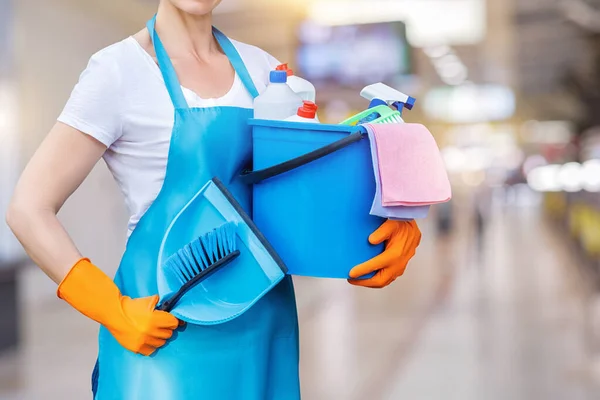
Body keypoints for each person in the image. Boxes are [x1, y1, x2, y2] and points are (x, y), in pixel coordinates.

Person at [5, 0, 422, 398]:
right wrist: (112, 310)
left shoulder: (263, 71)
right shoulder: (117, 71)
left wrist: (381, 224)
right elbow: (28, 209)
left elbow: (301, 193)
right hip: (162, 327)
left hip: (263, 327)